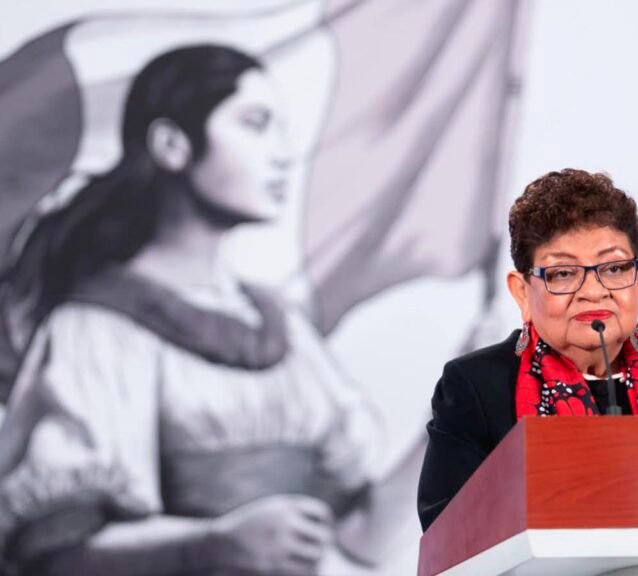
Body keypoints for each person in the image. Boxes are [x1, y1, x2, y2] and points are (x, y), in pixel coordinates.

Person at [0, 44, 401, 576]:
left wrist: (464, 404)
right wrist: (209, 545)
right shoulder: (96, 328)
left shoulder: (282, 326)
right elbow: (54, 551)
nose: (284, 154)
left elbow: (359, 525)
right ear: (172, 144)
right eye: (256, 124)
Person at [417, 168, 638, 530]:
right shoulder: (477, 388)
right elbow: (448, 532)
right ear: (522, 292)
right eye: (564, 274)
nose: (593, 291)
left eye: (614, 268)